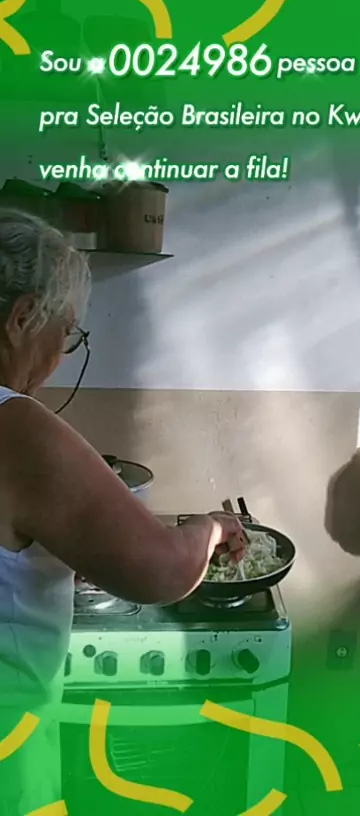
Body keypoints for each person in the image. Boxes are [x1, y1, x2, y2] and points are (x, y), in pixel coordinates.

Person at [0, 208, 246, 813]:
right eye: (66, 333)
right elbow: (162, 571)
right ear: (22, 318)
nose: (60, 356)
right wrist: (208, 528)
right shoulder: (16, 429)